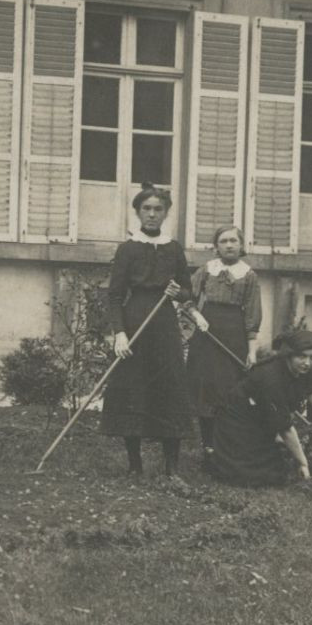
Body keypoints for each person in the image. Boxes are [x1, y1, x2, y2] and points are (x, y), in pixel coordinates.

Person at [100, 184, 200, 477]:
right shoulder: (128, 249)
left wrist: (177, 291)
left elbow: (187, 290)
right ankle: (135, 465)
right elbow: (115, 295)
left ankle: (172, 468)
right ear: (137, 212)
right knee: (133, 388)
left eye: (158, 209)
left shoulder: (173, 248)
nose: (152, 214)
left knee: (169, 388)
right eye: (147, 209)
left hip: (164, 325)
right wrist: (119, 332)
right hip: (135, 321)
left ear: (166, 213)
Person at [206, 328, 312, 488]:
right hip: (236, 425)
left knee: (276, 466)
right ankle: (220, 460)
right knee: (258, 476)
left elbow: (283, 413)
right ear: (289, 354)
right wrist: (303, 462)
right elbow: (285, 428)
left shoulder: (294, 370)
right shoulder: (272, 378)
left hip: (256, 420)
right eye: (301, 356)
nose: (307, 363)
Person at [184, 224, 261, 457]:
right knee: (206, 388)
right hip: (207, 334)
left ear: (241, 245)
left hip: (234, 334)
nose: (229, 245)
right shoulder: (206, 270)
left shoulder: (249, 275)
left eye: (233, 241)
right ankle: (208, 444)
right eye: (223, 241)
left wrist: (252, 350)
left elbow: (252, 315)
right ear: (216, 247)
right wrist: (197, 316)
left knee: (229, 389)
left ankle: (226, 444)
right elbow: (187, 298)